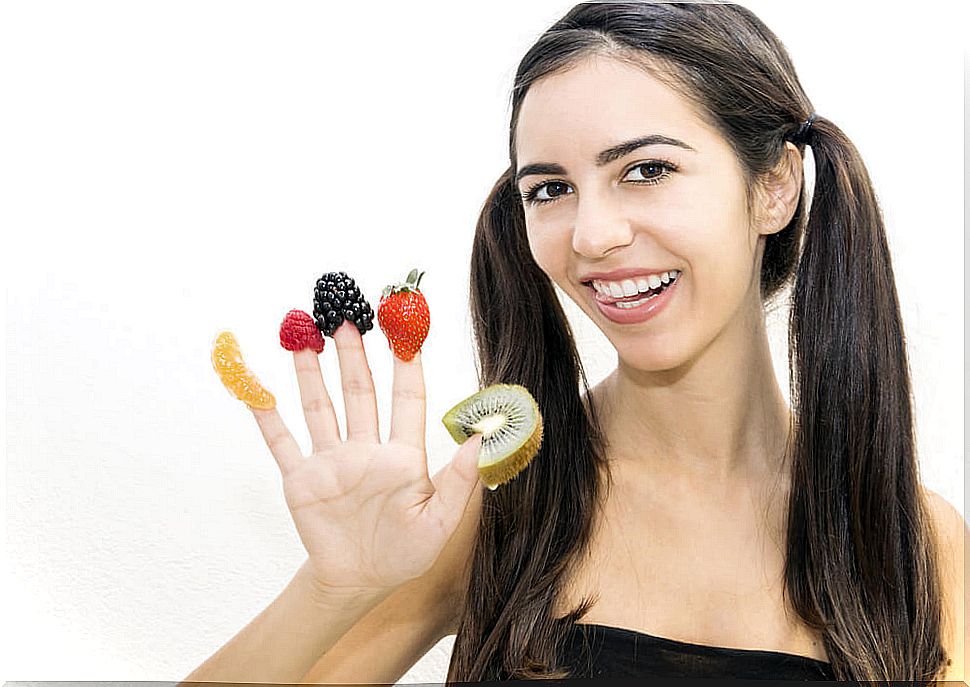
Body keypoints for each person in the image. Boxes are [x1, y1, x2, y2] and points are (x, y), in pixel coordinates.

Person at [183, 2, 967, 682]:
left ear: (774, 187)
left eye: (646, 168)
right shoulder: (495, 509)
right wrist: (331, 592)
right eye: (551, 189)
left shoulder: (916, 541)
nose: (591, 235)